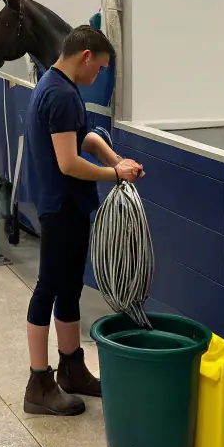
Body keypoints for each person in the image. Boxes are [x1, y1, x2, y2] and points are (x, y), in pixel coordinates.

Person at [23, 24, 143, 417]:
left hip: (69, 207)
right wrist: (115, 176)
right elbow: (69, 162)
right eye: (101, 67)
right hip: (60, 207)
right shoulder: (59, 94)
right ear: (86, 56)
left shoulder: (57, 84)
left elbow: (85, 138)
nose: (100, 76)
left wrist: (115, 159)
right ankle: (39, 382)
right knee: (49, 288)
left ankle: (71, 367)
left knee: (70, 287)